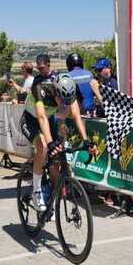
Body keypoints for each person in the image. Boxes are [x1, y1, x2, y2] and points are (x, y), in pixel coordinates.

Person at [21, 73, 92, 212]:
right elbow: (41, 117)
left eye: (67, 101)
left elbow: (77, 115)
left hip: (49, 119)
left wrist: (86, 140)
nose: (63, 104)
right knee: (43, 146)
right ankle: (36, 191)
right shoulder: (40, 89)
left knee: (57, 160)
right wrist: (49, 142)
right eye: (61, 99)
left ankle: (51, 201)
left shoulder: (68, 93)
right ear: (55, 90)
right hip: (31, 120)